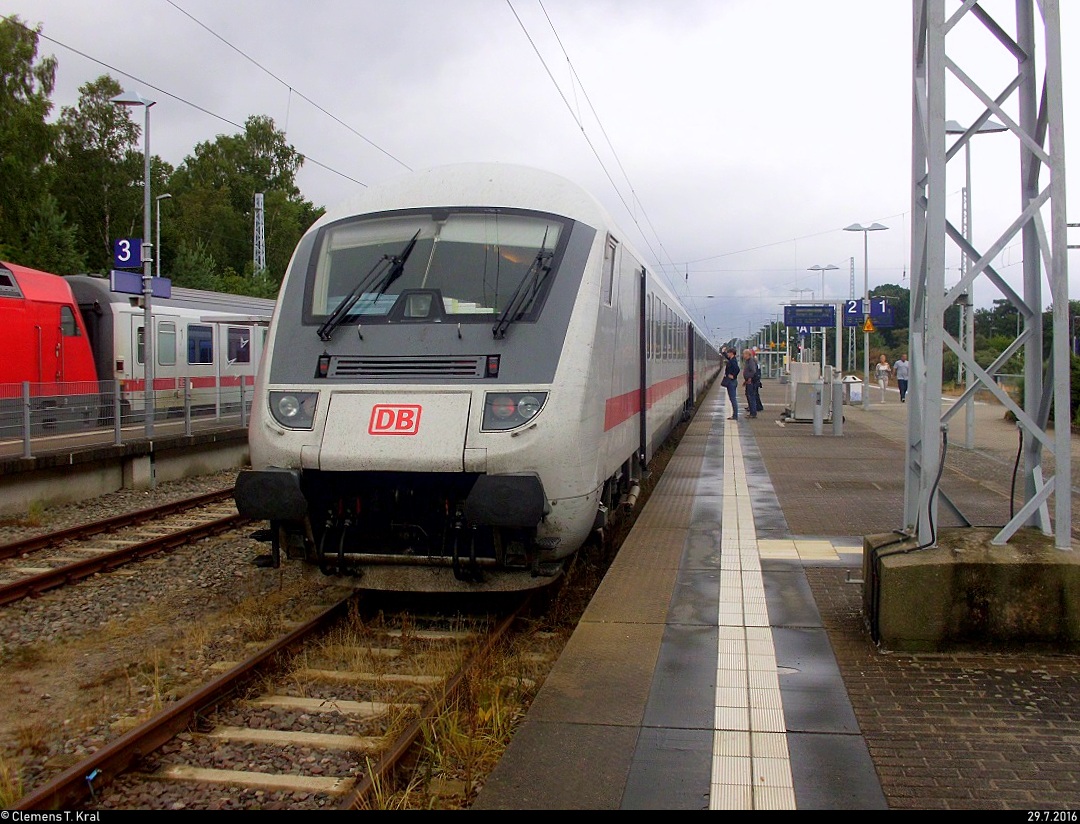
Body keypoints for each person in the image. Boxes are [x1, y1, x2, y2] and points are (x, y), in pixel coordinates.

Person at [742, 348, 760, 419]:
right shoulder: (748, 361)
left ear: (747, 354)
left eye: (744, 354)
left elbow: (753, 371)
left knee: (751, 396)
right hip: (749, 381)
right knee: (749, 395)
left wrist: (749, 378)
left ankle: (753, 413)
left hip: (751, 382)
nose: (743, 355)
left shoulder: (751, 361)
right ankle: (752, 412)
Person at [722, 348, 740, 420]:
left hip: (732, 382)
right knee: (732, 399)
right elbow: (727, 357)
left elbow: (737, 369)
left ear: (732, 353)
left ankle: (735, 415)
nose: (728, 354)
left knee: (733, 399)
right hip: (732, 382)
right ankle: (734, 415)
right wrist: (724, 352)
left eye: (729, 353)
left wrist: (733, 375)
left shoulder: (733, 361)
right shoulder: (732, 359)